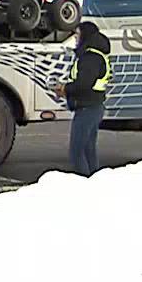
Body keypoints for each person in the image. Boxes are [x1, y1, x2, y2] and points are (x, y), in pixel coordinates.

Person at [53, 21, 111, 176]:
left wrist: (65, 88)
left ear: (86, 35)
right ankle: (93, 181)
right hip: (92, 107)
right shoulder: (94, 56)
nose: (76, 38)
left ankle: (85, 184)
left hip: (87, 109)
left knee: (76, 153)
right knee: (88, 150)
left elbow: (84, 84)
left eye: (78, 35)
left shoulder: (91, 58)